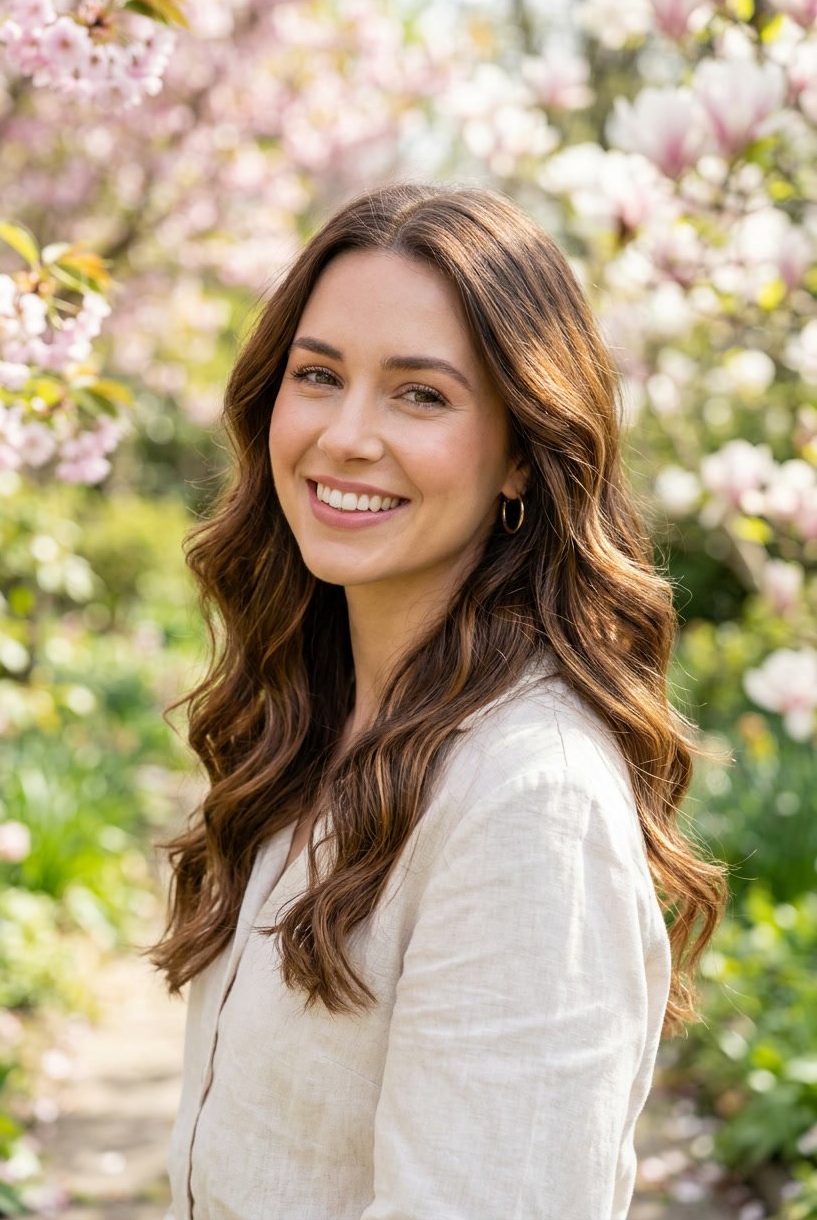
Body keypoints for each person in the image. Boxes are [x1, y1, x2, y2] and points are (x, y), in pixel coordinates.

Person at [152, 182, 728, 1220]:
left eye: (419, 395)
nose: (345, 435)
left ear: (521, 455)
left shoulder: (528, 801)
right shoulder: (310, 724)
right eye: (318, 375)